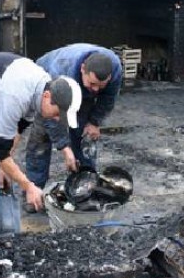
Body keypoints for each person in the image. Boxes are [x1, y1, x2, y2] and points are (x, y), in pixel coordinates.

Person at [0, 52, 82, 238]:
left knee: (5, 178)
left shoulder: (39, 92)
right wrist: (28, 186)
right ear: (47, 96)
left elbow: (16, 131)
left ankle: (9, 238)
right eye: (58, 113)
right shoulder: (17, 93)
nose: (57, 119)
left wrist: (5, 164)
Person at [24, 43, 122, 205]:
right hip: (51, 86)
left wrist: (94, 122)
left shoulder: (115, 69)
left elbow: (108, 98)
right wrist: (65, 148)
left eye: (100, 86)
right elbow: (52, 120)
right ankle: (34, 193)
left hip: (79, 89)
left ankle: (84, 189)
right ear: (83, 68)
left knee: (85, 137)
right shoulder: (60, 69)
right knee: (41, 140)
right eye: (92, 84)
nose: (96, 89)